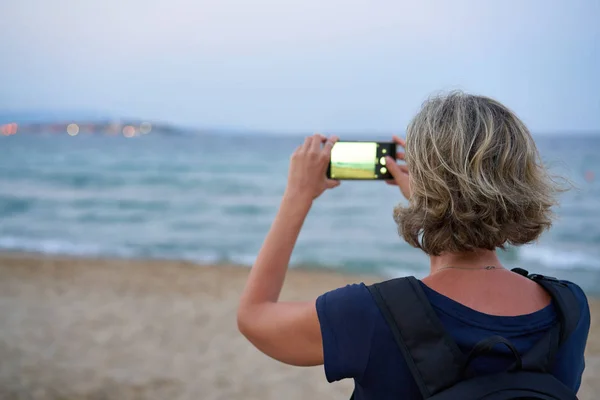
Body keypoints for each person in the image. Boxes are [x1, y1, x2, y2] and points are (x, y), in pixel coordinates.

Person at [236, 91, 590, 399]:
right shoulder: (569, 309)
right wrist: (434, 203)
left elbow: (255, 317)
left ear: (425, 180)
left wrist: (298, 195)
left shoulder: (372, 315)